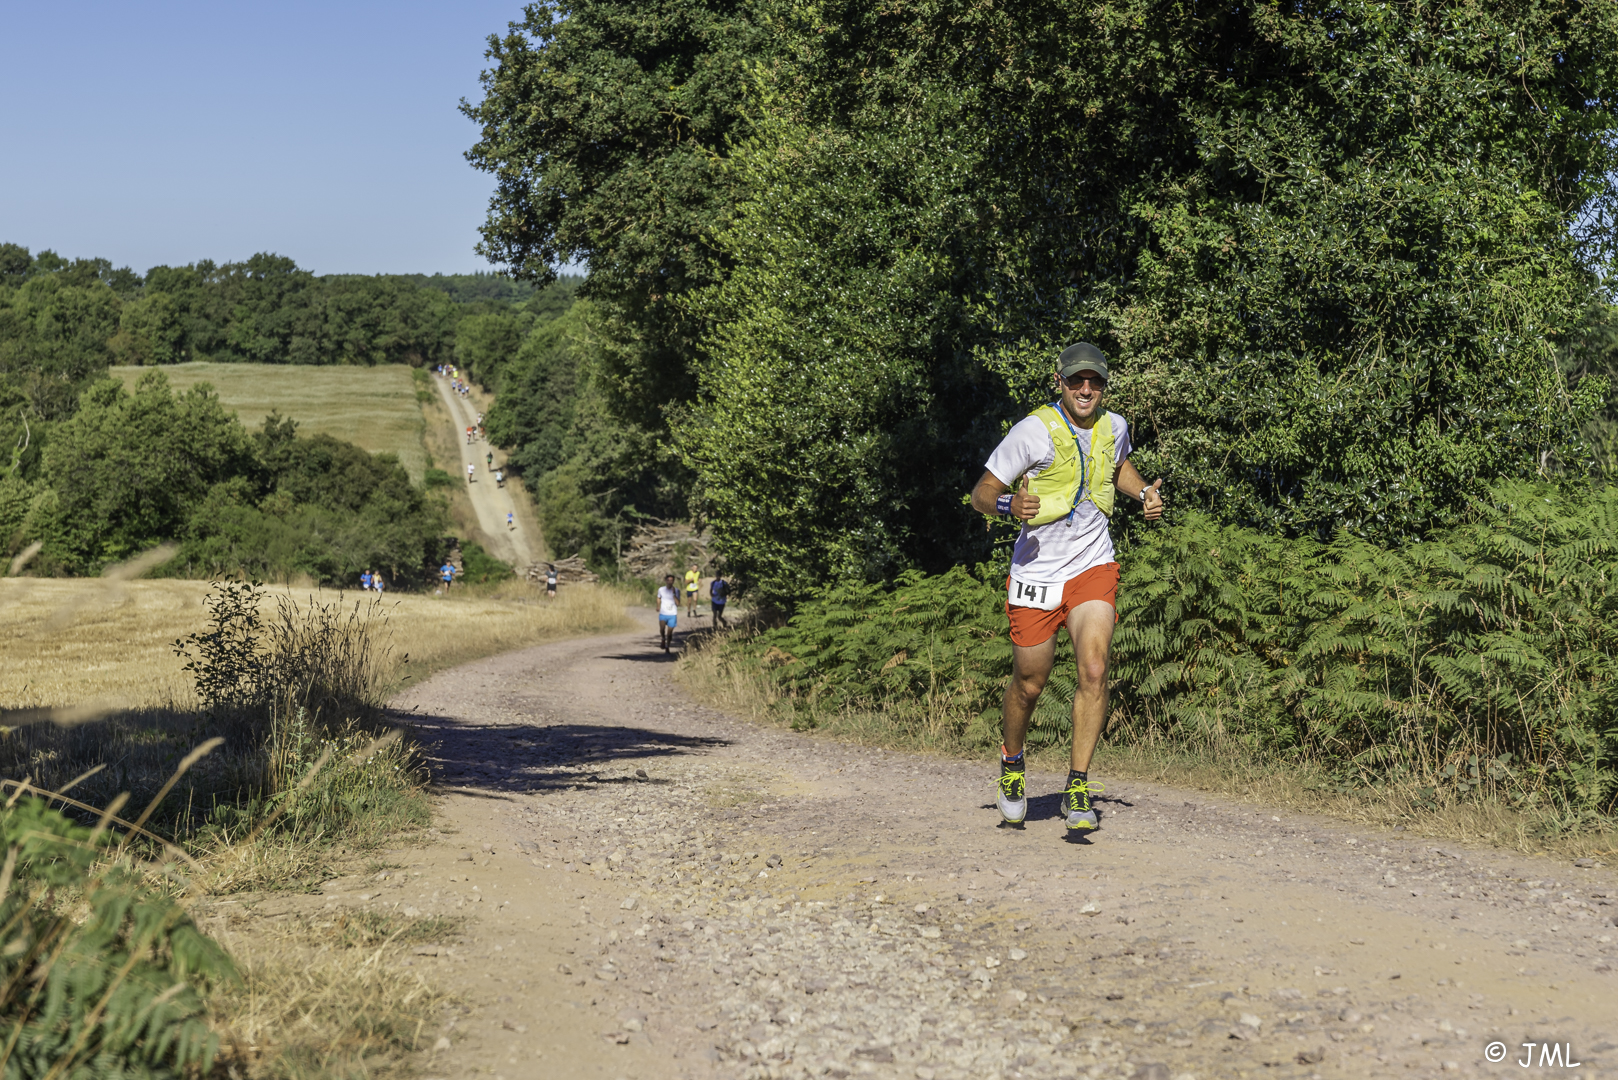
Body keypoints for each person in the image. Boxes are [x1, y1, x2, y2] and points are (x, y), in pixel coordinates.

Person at [968, 342, 1164, 833]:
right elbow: (981, 493)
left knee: (1094, 668)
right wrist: (1009, 507)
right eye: (1076, 380)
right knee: (1031, 682)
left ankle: (1078, 785)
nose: (1085, 389)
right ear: (1060, 382)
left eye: (1094, 381)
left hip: (1092, 564)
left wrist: (1142, 492)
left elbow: (1117, 467)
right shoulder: (1032, 431)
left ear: (1102, 385)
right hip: (1036, 573)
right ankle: (1013, 764)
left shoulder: (1113, 426)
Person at [656, 573, 680, 653]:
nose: (670, 582)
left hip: (672, 614)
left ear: (673, 581)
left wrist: (673, 594)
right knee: (662, 629)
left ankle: (667, 646)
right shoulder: (661, 589)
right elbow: (659, 598)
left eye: (671, 580)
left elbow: (678, 603)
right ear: (666, 581)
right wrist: (658, 606)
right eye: (668, 580)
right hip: (663, 613)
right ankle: (663, 639)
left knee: (669, 633)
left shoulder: (676, 590)